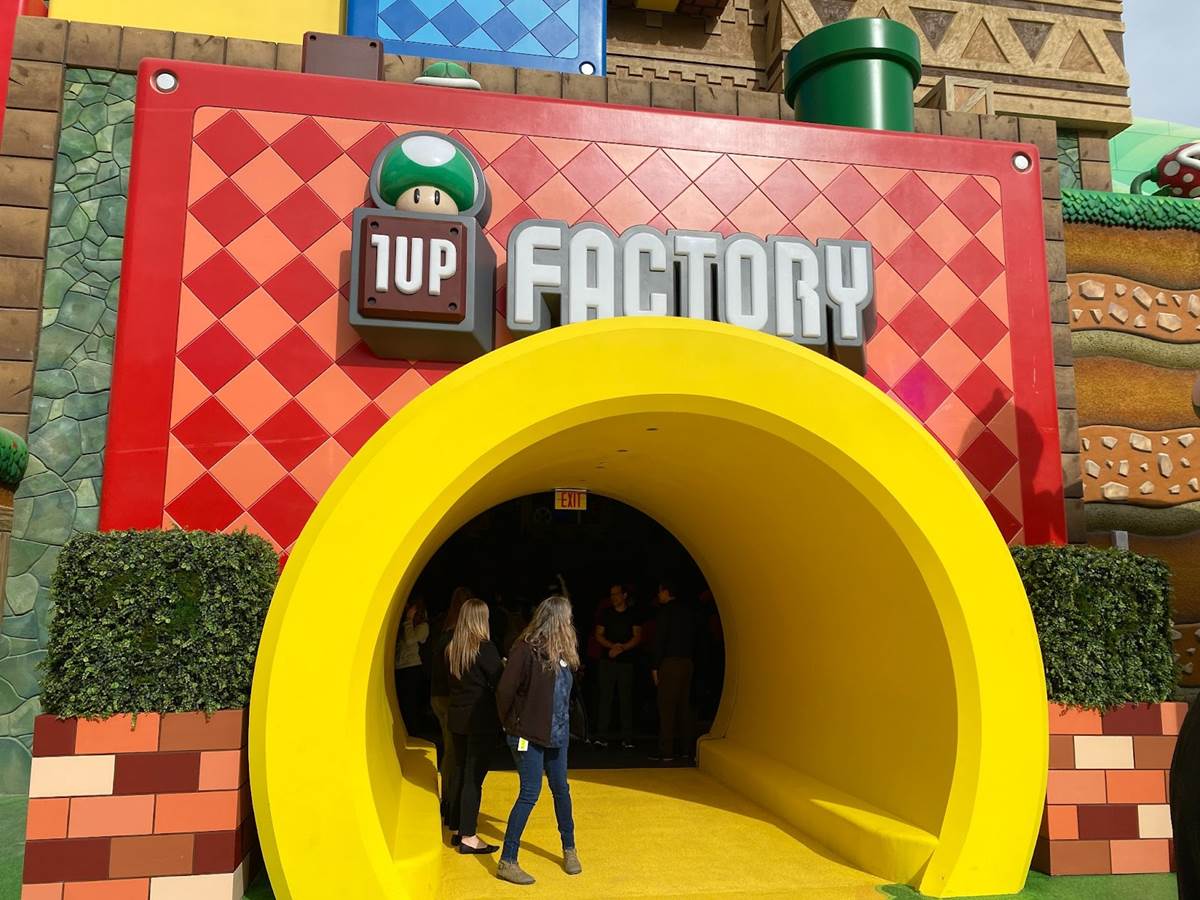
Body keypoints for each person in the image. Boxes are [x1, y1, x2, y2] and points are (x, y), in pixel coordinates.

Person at [494, 595, 583, 886]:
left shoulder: (565, 652)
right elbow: (505, 690)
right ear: (557, 619)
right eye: (567, 617)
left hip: (557, 735)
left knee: (561, 789)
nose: (570, 622)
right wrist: (510, 723)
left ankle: (569, 849)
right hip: (527, 734)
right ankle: (507, 860)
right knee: (530, 793)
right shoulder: (526, 648)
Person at [444, 597, 503, 854]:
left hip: (457, 717)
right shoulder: (485, 649)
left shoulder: (452, 649)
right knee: (473, 778)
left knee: (460, 771)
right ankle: (469, 836)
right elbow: (500, 681)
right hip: (480, 720)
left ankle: (457, 828)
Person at [651, 580, 697, 764]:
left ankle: (667, 750)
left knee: (667, 707)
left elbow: (659, 641)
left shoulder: (665, 613)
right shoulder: (688, 612)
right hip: (687, 662)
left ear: (666, 592)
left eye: (660, 591)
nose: (658, 595)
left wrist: (655, 667)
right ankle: (686, 749)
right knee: (684, 706)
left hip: (670, 663)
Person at [431, 588, 471, 791]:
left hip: (437, 695)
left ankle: (450, 793)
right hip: (448, 697)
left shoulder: (444, 631)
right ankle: (448, 795)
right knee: (453, 751)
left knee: (450, 748)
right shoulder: (457, 637)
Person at [593, 583, 641, 749]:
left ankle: (627, 737)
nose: (613, 597)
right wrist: (612, 647)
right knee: (605, 698)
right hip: (608, 661)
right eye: (611, 594)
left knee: (626, 699)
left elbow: (637, 636)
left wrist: (622, 648)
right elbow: (598, 634)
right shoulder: (606, 613)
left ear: (624, 595)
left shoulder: (633, 614)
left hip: (626, 662)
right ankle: (602, 735)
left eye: (616, 594)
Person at [394, 595, 430, 738]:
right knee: (402, 703)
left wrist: (408, 620)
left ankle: (414, 733)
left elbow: (410, 640)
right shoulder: (404, 626)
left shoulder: (423, 626)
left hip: (412, 668)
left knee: (410, 703)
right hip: (400, 668)